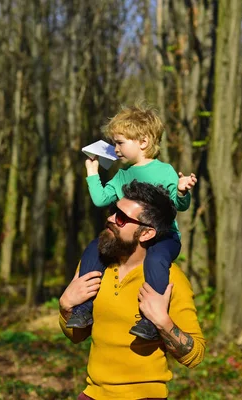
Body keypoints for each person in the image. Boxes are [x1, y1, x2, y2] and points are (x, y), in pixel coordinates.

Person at [59, 181, 205, 400]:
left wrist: (163, 322)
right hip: (93, 393)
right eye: (112, 212)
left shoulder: (171, 280)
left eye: (121, 218)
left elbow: (195, 356)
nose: (110, 219)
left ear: (146, 234)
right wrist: (65, 307)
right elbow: (77, 336)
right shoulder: (95, 268)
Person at [66, 103, 197, 341]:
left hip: (164, 237)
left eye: (120, 142)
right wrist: (92, 172)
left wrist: (181, 191)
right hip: (129, 237)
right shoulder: (122, 175)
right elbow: (100, 199)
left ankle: (149, 320)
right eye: (114, 143)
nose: (115, 149)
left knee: (156, 259)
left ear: (143, 142)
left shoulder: (165, 171)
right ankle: (83, 309)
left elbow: (179, 206)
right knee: (94, 249)